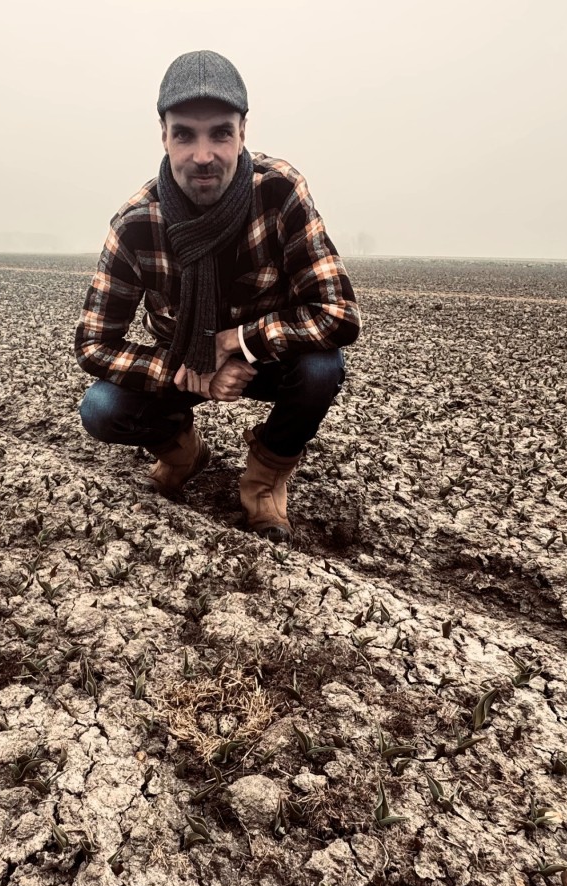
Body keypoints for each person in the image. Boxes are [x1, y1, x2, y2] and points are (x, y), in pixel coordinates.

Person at [75, 50, 360, 542]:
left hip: (265, 360)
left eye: (220, 133)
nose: (203, 155)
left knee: (321, 368)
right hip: (182, 367)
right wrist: (194, 369)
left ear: (242, 132)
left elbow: (338, 314)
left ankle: (264, 481)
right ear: (163, 135)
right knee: (101, 408)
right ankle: (183, 453)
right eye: (185, 134)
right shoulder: (137, 223)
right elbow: (93, 344)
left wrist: (235, 342)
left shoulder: (279, 191)